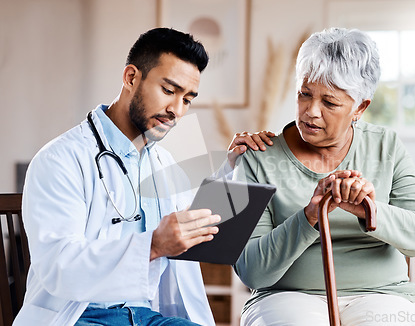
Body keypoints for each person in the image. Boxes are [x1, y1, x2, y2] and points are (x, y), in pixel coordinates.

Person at [14, 28, 274, 326]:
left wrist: (234, 165)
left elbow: (192, 221)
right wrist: (153, 245)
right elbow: (58, 267)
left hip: (147, 316)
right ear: (131, 77)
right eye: (168, 90)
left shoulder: (161, 160)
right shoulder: (61, 159)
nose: (177, 110)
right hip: (77, 316)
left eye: (187, 99)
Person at [233, 27, 415, 326]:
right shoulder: (258, 156)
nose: (311, 112)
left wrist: (370, 210)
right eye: (304, 94)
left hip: (381, 295)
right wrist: (308, 217)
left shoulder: (386, 146)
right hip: (286, 297)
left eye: (329, 103)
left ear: (360, 107)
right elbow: (250, 270)